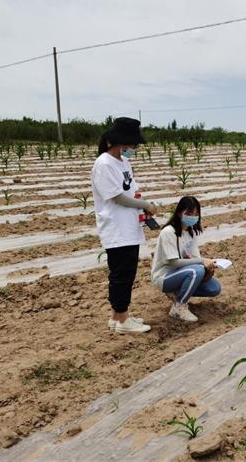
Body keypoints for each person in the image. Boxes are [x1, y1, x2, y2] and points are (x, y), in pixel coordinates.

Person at [91, 117, 157, 333]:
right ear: (122, 141)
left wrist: (142, 208)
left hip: (129, 226)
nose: (134, 148)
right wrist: (144, 204)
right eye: (133, 144)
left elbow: (129, 191)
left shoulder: (123, 162)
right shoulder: (104, 163)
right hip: (116, 227)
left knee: (127, 273)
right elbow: (117, 197)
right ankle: (122, 321)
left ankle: (117, 317)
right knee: (121, 275)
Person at [151, 196, 221, 322]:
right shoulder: (168, 232)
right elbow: (174, 262)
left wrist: (208, 269)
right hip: (164, 276)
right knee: (196, 271)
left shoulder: (190, 233)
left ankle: (178, 293)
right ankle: (179, 307)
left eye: (196, 214)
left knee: (214, 288)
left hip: (183, 272)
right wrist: (201, 262)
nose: (193, 217)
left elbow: (195, 258)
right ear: (179, 213)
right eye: (189, 213)